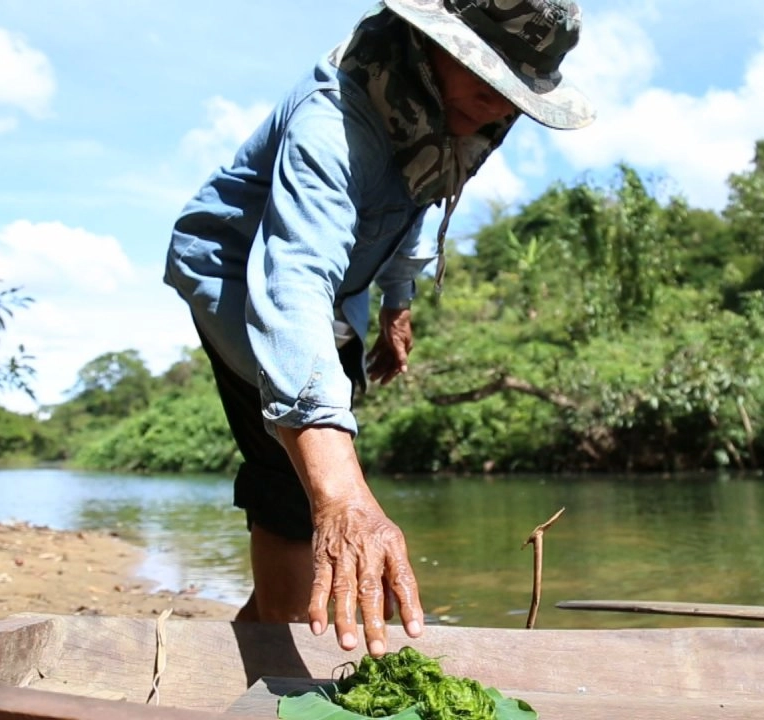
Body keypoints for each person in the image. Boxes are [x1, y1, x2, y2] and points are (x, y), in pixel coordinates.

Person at [163, 0, 594, 657]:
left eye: (511, 98)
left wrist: (398, 299)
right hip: (239, 273)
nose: (497, 110)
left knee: (326, 432)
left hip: (344, 283)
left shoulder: (441, 112)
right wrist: (342, 499)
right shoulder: (331, 124)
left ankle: (252, 634)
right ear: (430, 49)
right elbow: (293, 282)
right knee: (296, 470)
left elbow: (413, 204)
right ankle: (278, 655)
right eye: (486, 87)